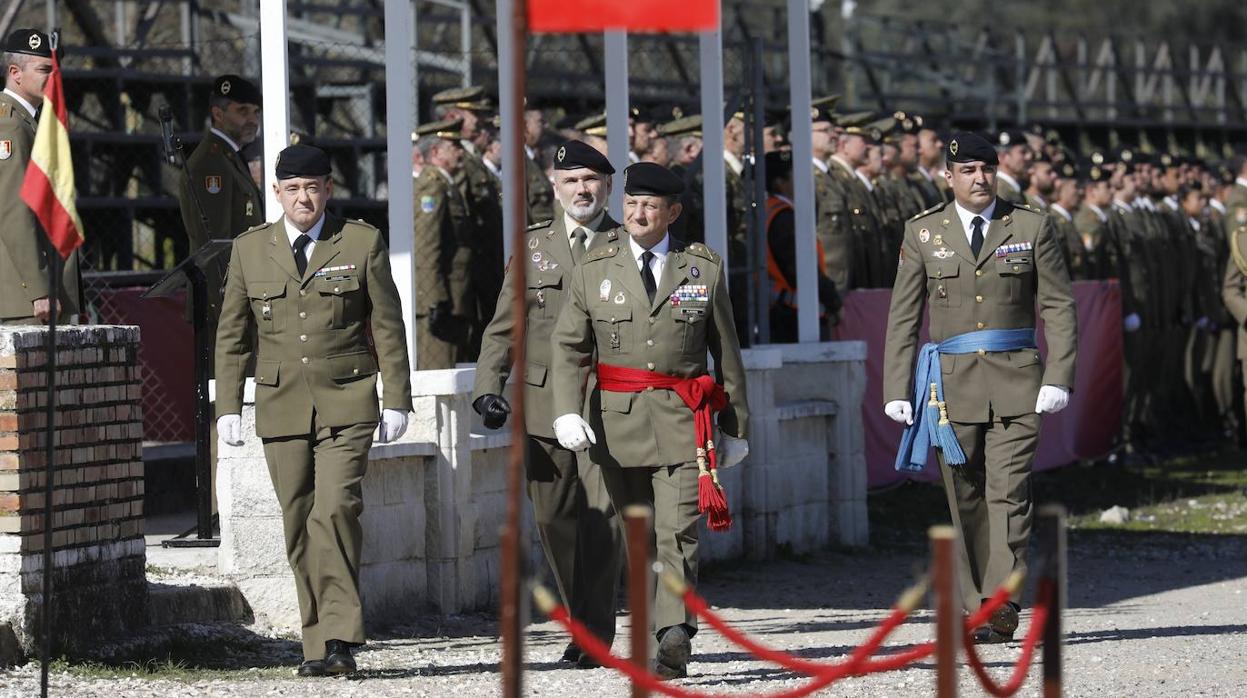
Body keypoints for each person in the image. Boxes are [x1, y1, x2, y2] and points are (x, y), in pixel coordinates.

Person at [214, 144, 413, 677]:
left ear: (328, 189)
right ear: (276, 193)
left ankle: (343, 637)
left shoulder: (360, 241)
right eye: (293, 188)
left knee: (334, 509)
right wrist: (227, 405)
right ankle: (318, 643)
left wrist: (397, 396)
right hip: (281, 405)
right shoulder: (250, 250)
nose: (304, 197)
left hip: (347, 400)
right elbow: (233, 333)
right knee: (299, 523)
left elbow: (387, 329)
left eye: (314, 187)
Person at [550, 162, 750, 679]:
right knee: (635, 535)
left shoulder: (700, 268)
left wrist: (735, 426)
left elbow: (726, 353)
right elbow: (570, 347)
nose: (638, 214)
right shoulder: (595, 268)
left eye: (651, 206)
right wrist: (567, 410)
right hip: (614, 426)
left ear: (673, 212)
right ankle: (651, 626)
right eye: (632, 204)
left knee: (677, 531)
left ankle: (673, 635)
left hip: (685, 424)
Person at [883, 131, 1076, 644]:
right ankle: (977, 606)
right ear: (948, 177)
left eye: (987, 168)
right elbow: (904, 316)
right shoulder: (924, 233)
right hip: (949, 389)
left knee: (1008, 492)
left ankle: (1001, 598)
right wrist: (896, 387)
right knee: (964, 495)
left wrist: (1059, 376)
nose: (979, 178)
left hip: (1017, 380)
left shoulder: (1031, 226)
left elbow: (1058, 306)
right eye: (967, 170)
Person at [473, 140, 624, 668]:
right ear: (554, 188)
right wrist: (488, 386)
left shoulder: (629, 245)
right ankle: (581, 617)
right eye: (571, 181)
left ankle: (593, 633)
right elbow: (503, 327)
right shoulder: (533, 247)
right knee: (556, 521)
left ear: (607, 185)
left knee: (602, 519)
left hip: (607, 407)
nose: (582, 189)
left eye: (591, 180)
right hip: (541, 407)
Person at [0, 28, 80, 325]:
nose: (53, 77)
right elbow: (13, 212)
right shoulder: (10, 125)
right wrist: (37, 290)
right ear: (15, 73)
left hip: (40, 292)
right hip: (26, 299)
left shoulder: (28, 122)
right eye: (44, 69)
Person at [412, 118, 472, 369]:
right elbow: (427, 245)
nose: (461, 151)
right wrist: (433, 299)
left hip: (455, 298)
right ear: (435, 152)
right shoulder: (433, 186)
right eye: (454, 146)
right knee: (439, 373)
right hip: (442, 300)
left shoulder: (447, 185)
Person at [764, 150, 841, 341]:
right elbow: (802, 267)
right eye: (796, 175)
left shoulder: (772, 211)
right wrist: (833, 301)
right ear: (780, 183)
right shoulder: (784, 218)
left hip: (784, 312)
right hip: (794, 316)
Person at [524, 107, 555, 223]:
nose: (546, 126)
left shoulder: (534, 158)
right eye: (540, 121)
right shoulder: (519, 162)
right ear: (525, 126)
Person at [994, 129, 1030, 206]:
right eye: (1023, 152)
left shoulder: (1012, 189)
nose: (1028, 157)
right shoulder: (998, 191)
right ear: (1004, 157)